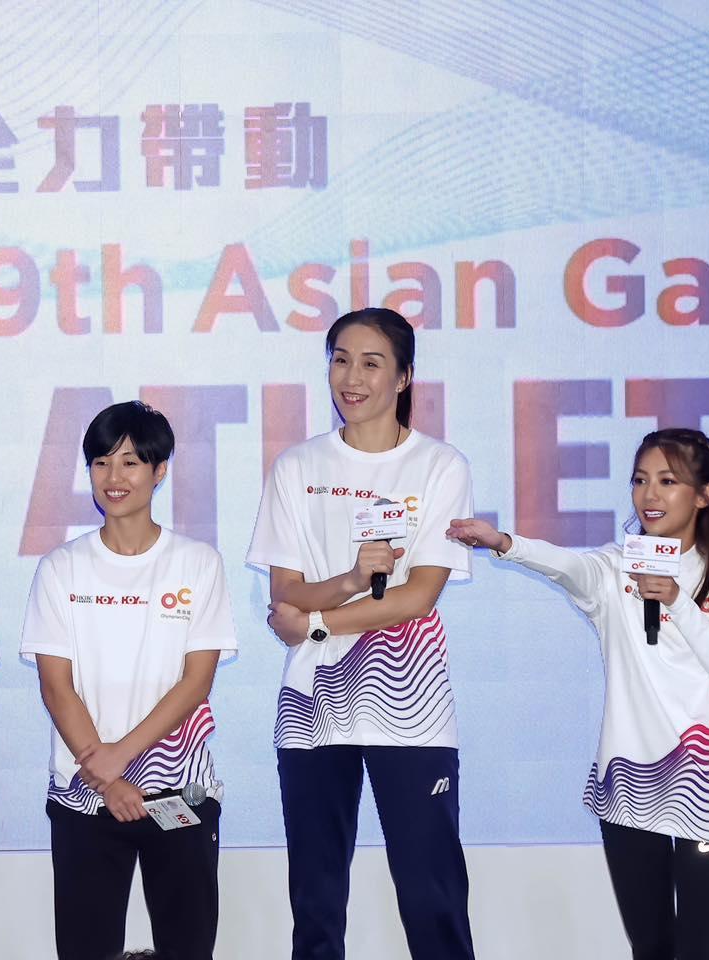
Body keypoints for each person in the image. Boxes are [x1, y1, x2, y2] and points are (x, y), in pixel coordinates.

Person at [447, 428, 709, 960]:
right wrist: (504, 543)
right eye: (640, 481)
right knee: (651, 945)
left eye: (667, 481)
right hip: (629, 785)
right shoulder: (616, 567)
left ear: (705, 494)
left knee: (699, 948)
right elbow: (567, 564)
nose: (649, 495)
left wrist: (679, 601)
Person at [250, 307, 476, 960]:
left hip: (411, 707)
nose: (352, 378)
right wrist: (350, 579)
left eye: (371, 363)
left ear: (403, 377)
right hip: (312, 708)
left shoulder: (439, 466)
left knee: (432, 896)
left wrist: (317, 622)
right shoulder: (297, 467)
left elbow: (418, 595)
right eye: (341, 361)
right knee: (316, 903)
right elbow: (284, 595)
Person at [21, 400, 237, 960]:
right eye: (101, 462)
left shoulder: (197, 563)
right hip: (85, 798)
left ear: (159, 470)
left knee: (188, 949)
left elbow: (196, 682)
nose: (113, 477)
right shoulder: (61, 567)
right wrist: (107, 778)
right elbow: (56, 687)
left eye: (130, 463)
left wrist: (120, 757)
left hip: (180, 792)